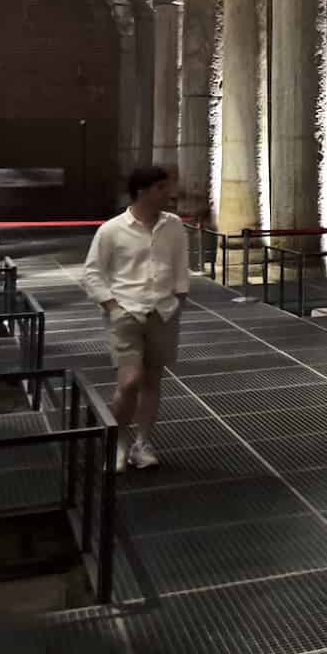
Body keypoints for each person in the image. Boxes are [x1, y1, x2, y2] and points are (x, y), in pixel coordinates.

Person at [82, 166, 189, 471]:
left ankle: (143, 444)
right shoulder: (112, 229)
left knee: (153, 381)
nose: (168, 194)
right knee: (129, 382)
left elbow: (181, 266)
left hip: (163, 311)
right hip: (126, 312)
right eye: (161, 188)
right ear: (142, 191)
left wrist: (179, 299)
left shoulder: (174, 225)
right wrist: (113, 306)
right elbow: (92, 273)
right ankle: (117, 442)